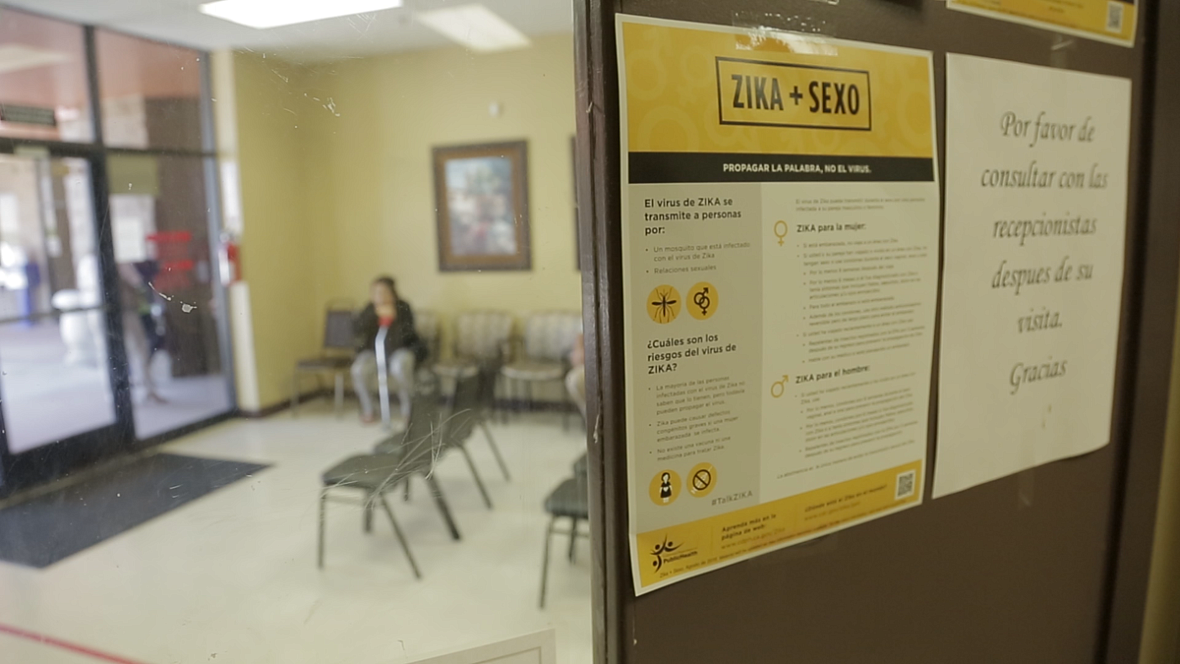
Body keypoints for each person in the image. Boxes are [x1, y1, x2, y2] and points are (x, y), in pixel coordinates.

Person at [351, 276, 427, 424]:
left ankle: (408, 410)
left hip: (399, 350)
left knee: (400, 367)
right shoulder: (369, 308)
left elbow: (407, 335)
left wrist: (394, 318)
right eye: (375, 292)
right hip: (373, 353)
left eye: (382, 292)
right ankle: (370, 410)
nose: (378, 295)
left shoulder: (403, 307)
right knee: (358, 370)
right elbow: (358, 330)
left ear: (392, 292)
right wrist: (374, 314)